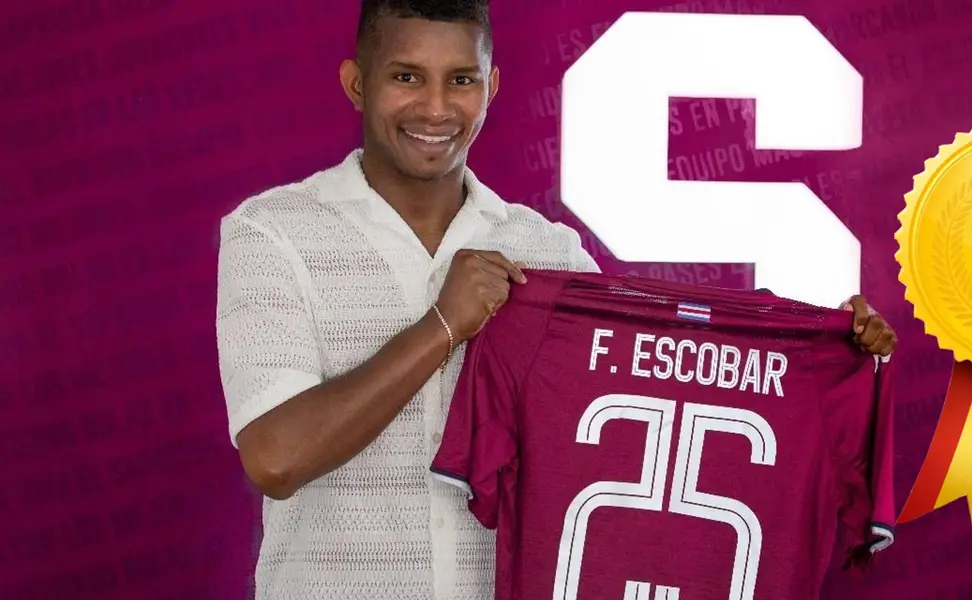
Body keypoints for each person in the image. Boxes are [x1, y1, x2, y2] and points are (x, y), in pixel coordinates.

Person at [214, 1, 899, 599]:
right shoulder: (273, 233)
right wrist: (445, 325)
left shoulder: (550, 255)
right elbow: (276, 457)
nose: (434, 107)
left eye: (461, 80)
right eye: (405, 77)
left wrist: (823, 342)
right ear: (356, 84)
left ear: (492, 88)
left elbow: (669, 380)